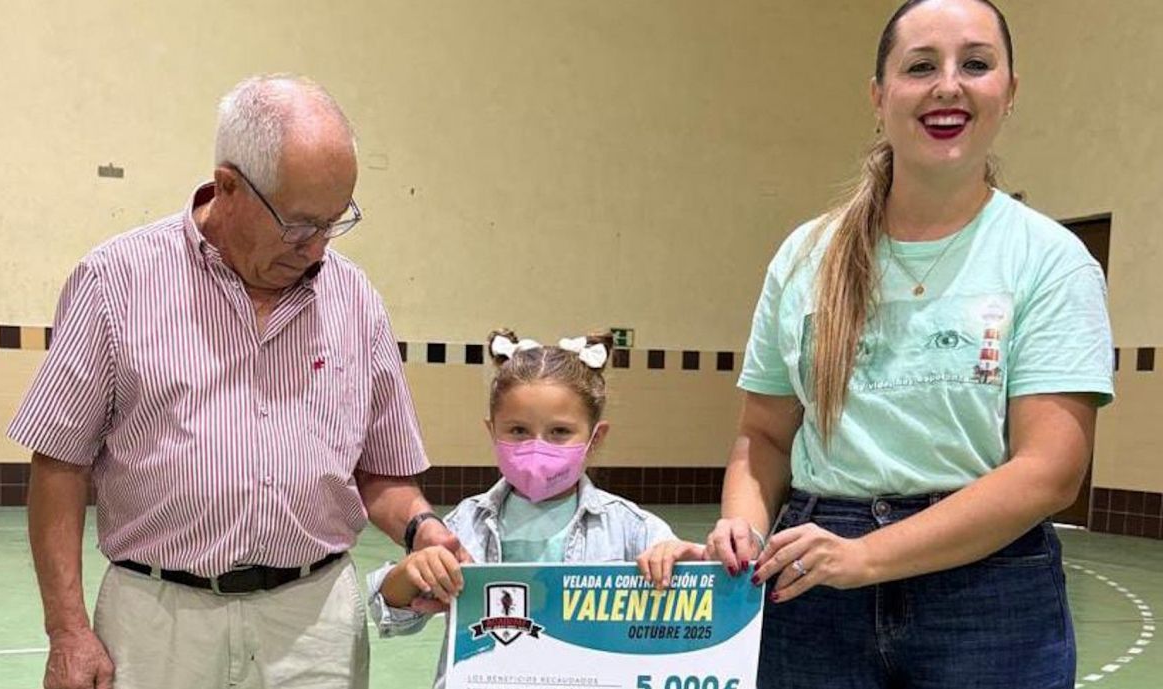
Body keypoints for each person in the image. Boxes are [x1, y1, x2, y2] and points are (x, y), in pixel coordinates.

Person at [703, 1, 1114, 687]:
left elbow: (1049, 471)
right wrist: (742, 525)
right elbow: (764, 436)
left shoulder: (1051, 260)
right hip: (810, 584)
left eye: (975, 64)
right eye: (920, 67)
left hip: (989, 592)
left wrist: (866, 556)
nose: (948, 85)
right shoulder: (804, 257)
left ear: (1010, 91)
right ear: (878, 96)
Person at [7, 74, 463, 689]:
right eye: (299, 225)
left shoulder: (354, 299)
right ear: (228, 187)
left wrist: (422, 528)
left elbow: (383, 472)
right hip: (158, 620)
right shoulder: (116, 281)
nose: (317, 248)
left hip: (314, 623)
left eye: (334, 222)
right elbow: (59, 463)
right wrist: (67, 630)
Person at [367, 330, 703, 689]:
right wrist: (412, 572)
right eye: (518, 430)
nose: (537, 447)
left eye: (559, 431)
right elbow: (391, 613)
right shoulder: (465, 525)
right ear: (492, 431)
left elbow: (697, 608)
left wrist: (689, 563)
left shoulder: (631, 529)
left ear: (595, 438)